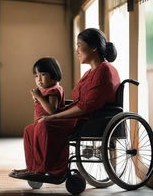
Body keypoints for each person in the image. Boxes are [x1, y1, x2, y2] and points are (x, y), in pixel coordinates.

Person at [9, 28, 120, 179]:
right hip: (82, 116)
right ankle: (33, 168)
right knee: (30, 129)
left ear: (93, 47)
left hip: (90, 119)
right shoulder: (90, 73)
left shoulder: (104, 70)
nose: (77, 51)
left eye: (79, 45)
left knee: (44, 124)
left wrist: (52, 117)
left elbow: (86, 107)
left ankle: (49, 170)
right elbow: (79, 102)